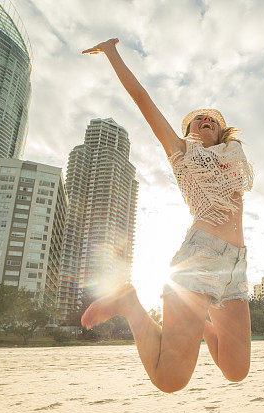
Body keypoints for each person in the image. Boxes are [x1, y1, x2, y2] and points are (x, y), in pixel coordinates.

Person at [79, 38, 254, 393]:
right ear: (188, 132)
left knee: (236, 372)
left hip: (236, 266)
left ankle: (202, 322)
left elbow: (235, 157)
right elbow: (142, 100)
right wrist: (112, 52)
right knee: (170, 381)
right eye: (197, 120)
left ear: (221, 132)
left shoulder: (234, 161)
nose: (205, 121)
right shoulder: (181, 155)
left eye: (212, 121)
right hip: (199, 259)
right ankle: (129, 303)